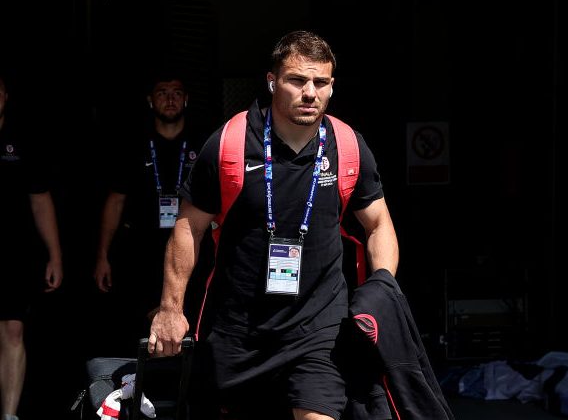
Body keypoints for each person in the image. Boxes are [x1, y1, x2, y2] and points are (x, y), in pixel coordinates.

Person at [148, 30, 399, 420]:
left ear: (332, 87)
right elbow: (189, 227)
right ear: (272, 82)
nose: (310, 92)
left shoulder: (347, 145)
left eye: (321, 82)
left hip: (320, 329)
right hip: (240, 328)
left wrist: (381, 290)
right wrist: (170, 308)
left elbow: (378, 223)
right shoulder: (230, 143)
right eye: (297, 80)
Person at [92, 71, 212, 357]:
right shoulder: (133, 143)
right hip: (141, 248)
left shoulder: (204, 144)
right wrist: (102, 255)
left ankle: (187, 393)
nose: (170, 99)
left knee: (189, 323)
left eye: (176, 93)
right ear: (150, 100)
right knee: (140, 328)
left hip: (192, 247)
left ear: (186, 99)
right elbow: (115, 202)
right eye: (162, 93)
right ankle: (137, 394)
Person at [0, 73, 63, 420]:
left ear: (5, 95)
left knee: (12, 328)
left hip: (12, 252)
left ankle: (9, 414)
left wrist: (54, 254)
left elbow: (40, 200)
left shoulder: (20, 140)